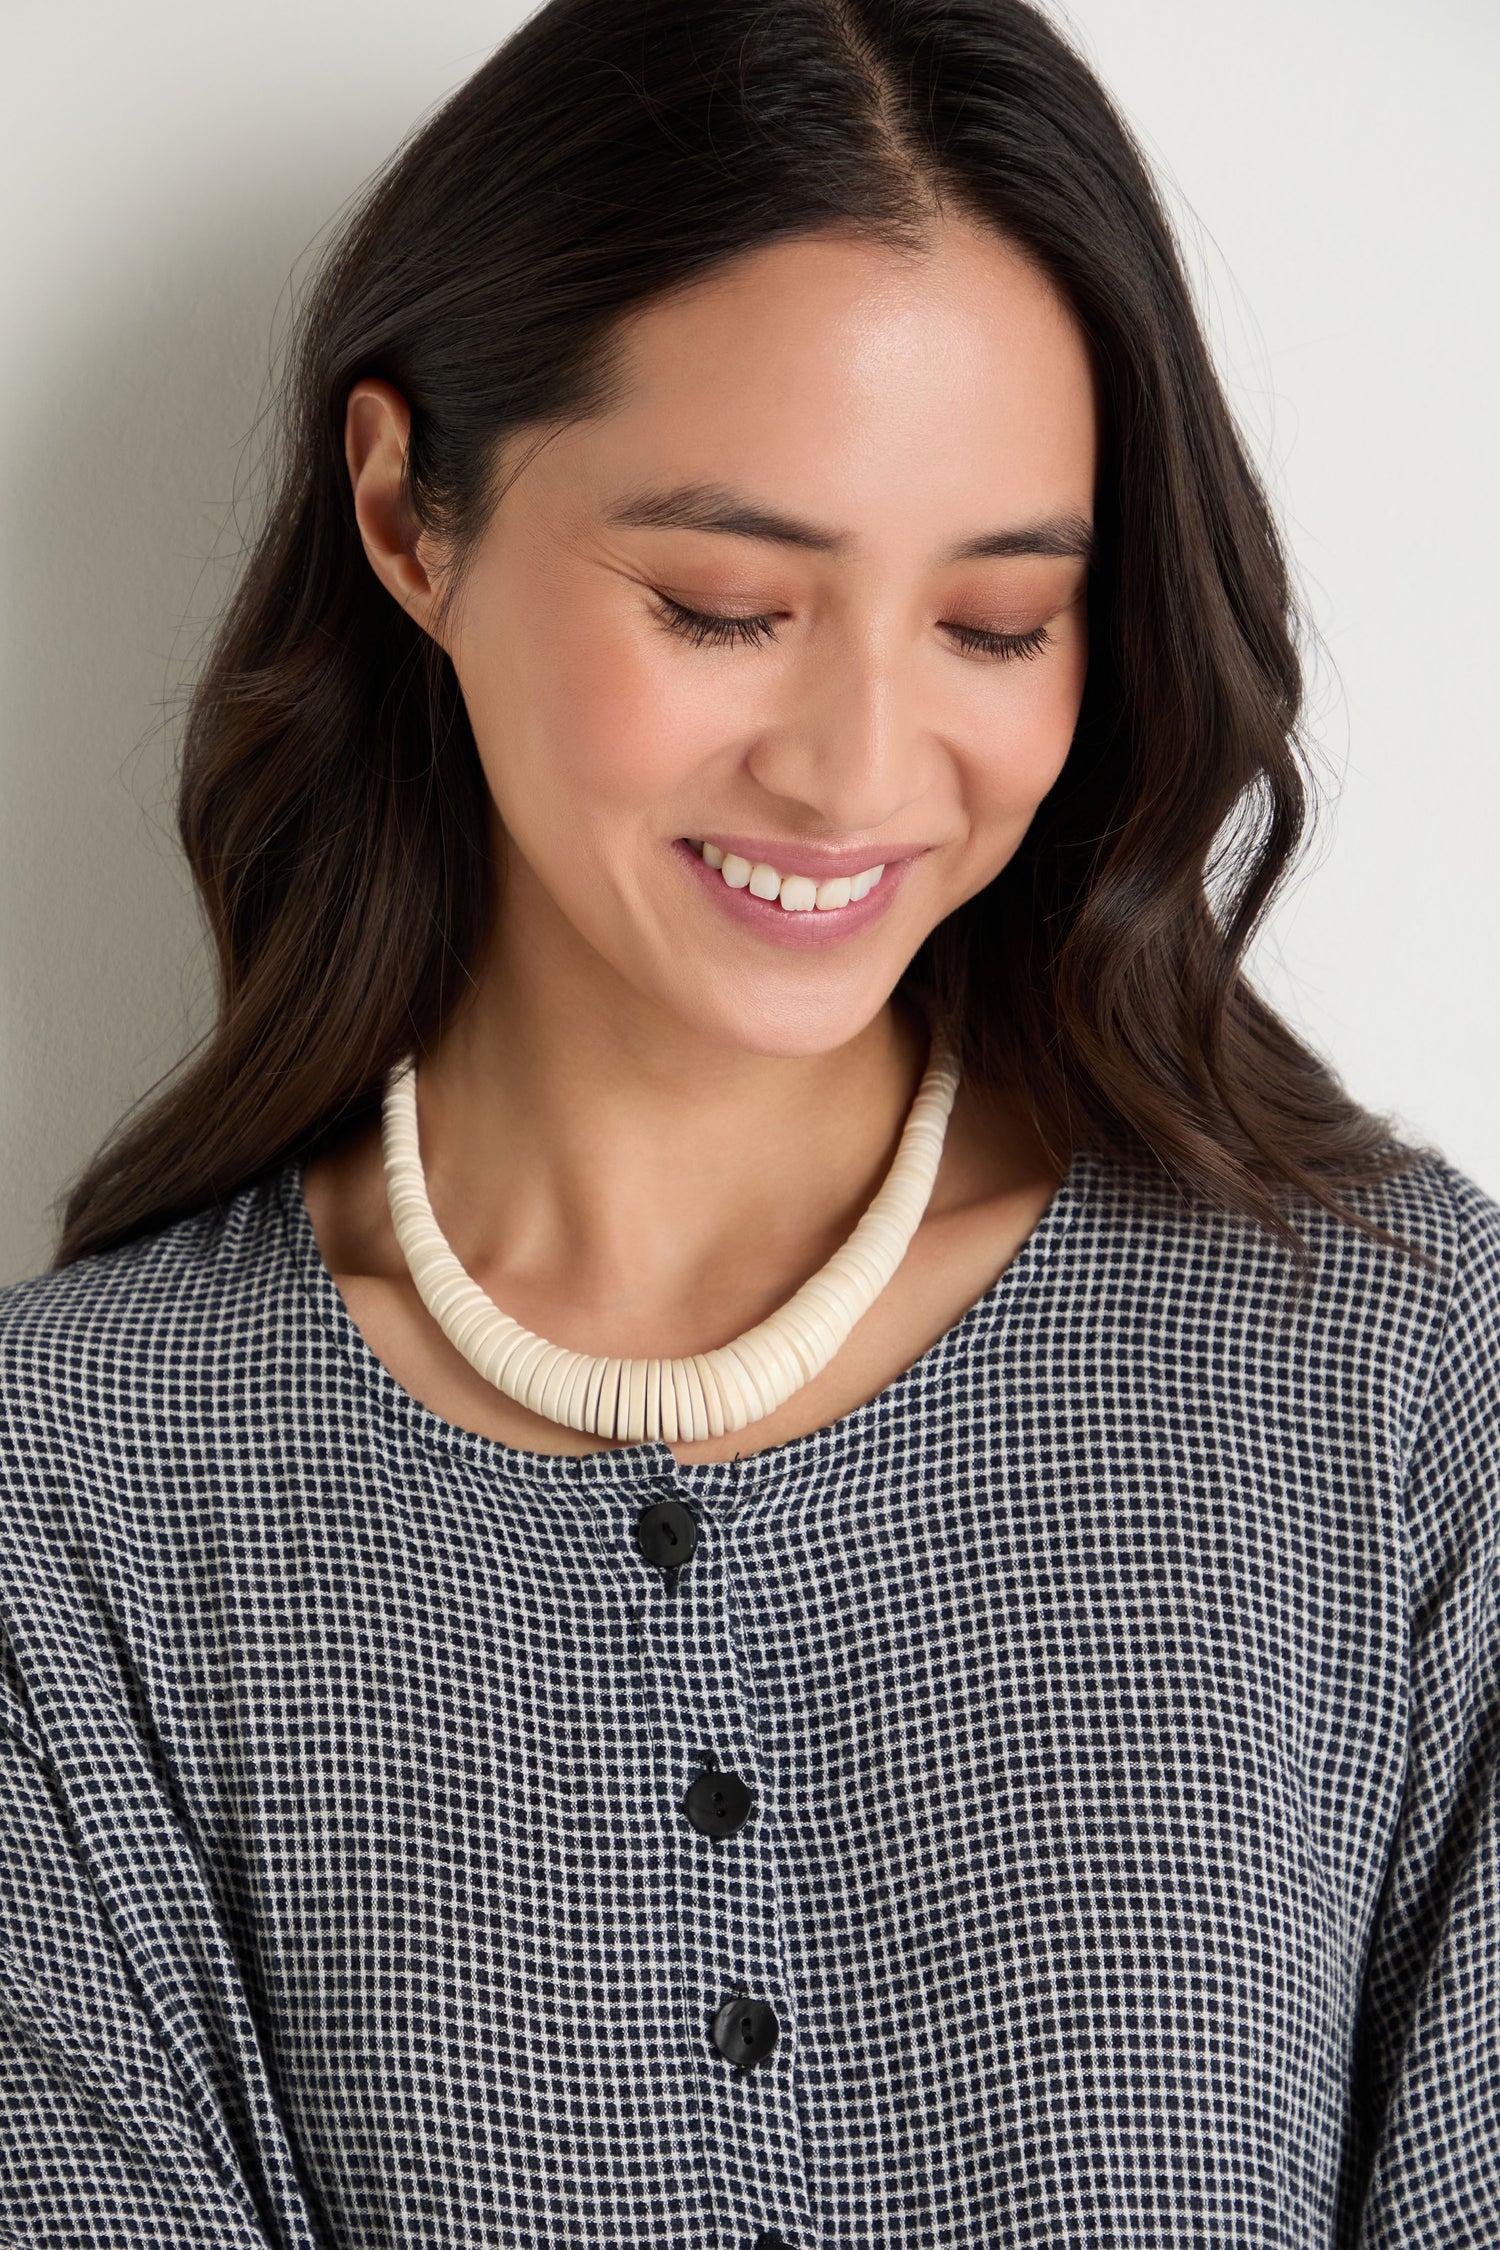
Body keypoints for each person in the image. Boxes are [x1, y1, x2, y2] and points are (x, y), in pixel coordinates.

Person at [2, 0, 1495, 2243]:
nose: (862, 767)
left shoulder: (1389, 1365)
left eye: (1000, 625)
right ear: (410, 514)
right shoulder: (79, 1494)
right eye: (728, 606)